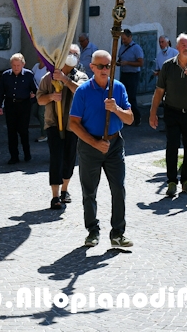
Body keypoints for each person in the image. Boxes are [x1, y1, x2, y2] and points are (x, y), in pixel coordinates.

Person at [68, 50, 134, 248]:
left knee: (119, 188)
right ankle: (92, 230)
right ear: (93, 67)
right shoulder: (83, 91)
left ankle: (118, 233)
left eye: (109, 66)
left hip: (114, 145)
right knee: (89, 191)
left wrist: (116, 110)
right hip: (90, 147)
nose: (106, 70)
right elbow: (73, 123)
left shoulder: (119, 88)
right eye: (101, 66)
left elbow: (130, 118)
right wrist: (94, 143)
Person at [150, 33, 187, 197]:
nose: (186, 48)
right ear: (177, 47)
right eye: (183, 45)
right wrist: (153, 112)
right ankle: (171, 181)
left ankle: (186, 181)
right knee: (172, 146)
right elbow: (159, 91)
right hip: (172, 111)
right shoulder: (168, 66)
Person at [37, 44, 88, 210]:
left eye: (75, 54)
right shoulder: (49, 77)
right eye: (69, 53)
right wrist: (51, 96)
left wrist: (65, 80)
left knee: (69, 157)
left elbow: (81, 92)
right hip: (53, 123)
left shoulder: (81, 76)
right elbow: (40, 99)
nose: (72, 56)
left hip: (73, 124)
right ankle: (55, 195)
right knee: (56, 157)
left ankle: (65, 189)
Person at [0, 53, 37, 164]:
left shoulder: (29, 75)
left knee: (23, 131)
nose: (16, 68)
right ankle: (14, 156)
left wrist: (32, 100)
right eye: (14, 65)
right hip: (10, 105)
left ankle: (27, 154)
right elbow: (1, 91)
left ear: (23, 64)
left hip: (24, 105)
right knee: (11, 132)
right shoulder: (6, 75)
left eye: (18, 65)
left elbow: (36, 90)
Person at [117, 29, 144, 125]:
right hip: (124, 73)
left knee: (131, 97)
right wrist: (118, 63)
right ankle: (126, 117)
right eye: (122, 39)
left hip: (133, 75)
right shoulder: (122, 47)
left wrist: (128, 63)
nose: (123, 41)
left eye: (125, 39)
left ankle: (137, 118)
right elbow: (120, 58)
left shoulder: (136, 48)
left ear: (130, 37)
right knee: (123, 96)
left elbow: (141, 63)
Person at [31, 56, 48, 142]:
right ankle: (47, 126)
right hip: (36, 93)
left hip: (45, 94)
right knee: (34, 112)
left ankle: (44, 134)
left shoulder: (48, 68)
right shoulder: (36, 66)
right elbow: (31, 78)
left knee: (41, 113)